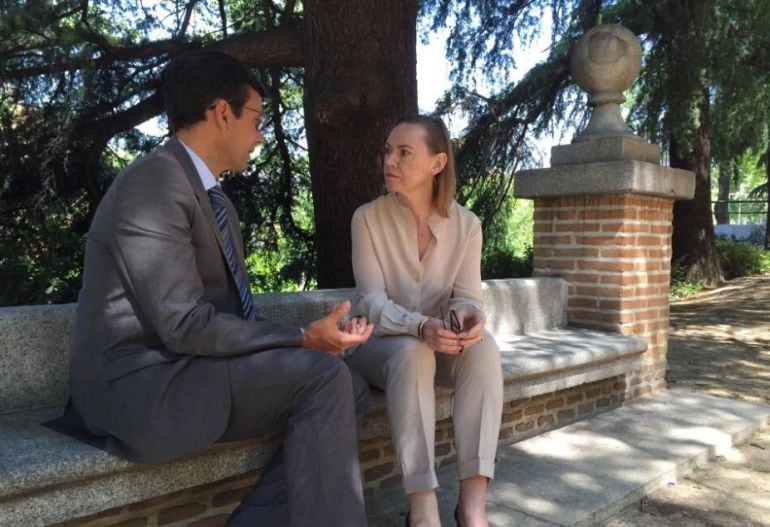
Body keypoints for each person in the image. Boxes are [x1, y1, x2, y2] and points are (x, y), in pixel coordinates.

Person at [51, 49, 374, 527]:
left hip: (187, 367)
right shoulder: (153, 183)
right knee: (324, 379)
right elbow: (183, 323)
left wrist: (312, 341)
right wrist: (302, 339)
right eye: (256, 118)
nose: (261, 135)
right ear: (223, 113)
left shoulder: (207, 195)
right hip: (140, 385)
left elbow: (230, 318)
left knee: (352, 386)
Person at [346, 115, 504, 527]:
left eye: (404, 152)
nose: (390, 161)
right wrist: (420, 326)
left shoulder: (467, 225)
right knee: (412, 352)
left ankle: (472, 509)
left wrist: (470, 318)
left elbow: (470, 298)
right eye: (387, 151)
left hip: (434, 343)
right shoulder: (366, 218)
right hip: (375, 346)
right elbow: (370, 303)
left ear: (437, 164)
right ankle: (423, 510)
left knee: (484, 347)